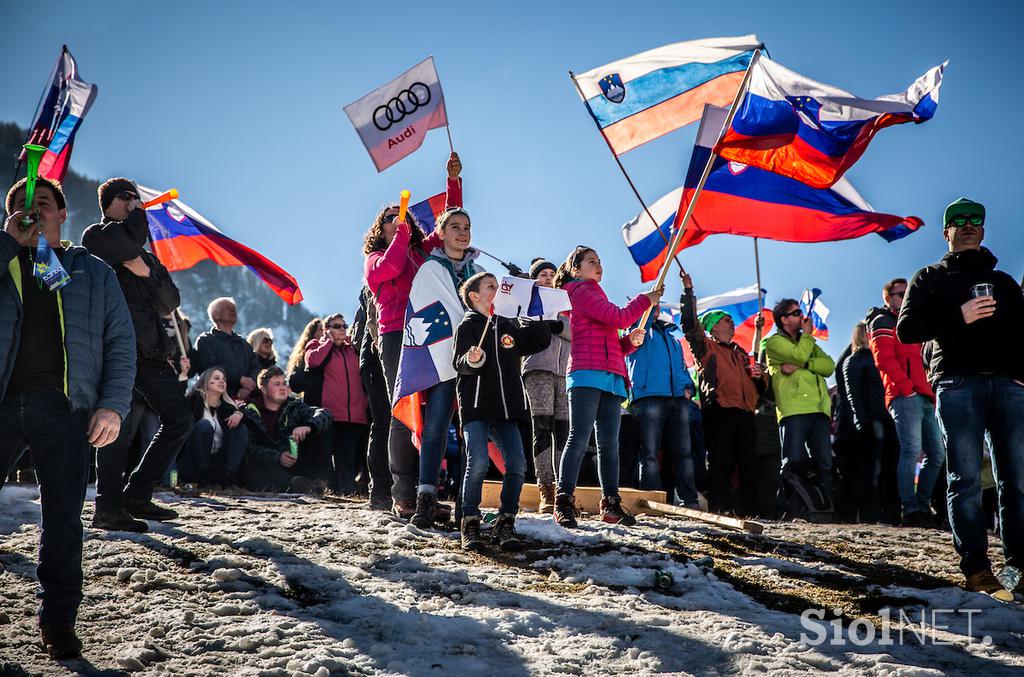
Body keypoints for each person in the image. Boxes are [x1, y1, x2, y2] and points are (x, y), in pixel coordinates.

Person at [1, 176, 135, 659]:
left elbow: (121, 343)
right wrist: (7, 246)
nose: (32, 211)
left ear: (62, 215)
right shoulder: (3, 260)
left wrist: (113, 404)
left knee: (62, 521)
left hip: (63, 410)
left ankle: (57, 621)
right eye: (20, 205)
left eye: (42, 204)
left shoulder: (93, 272)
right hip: (2, 407)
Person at [897, 197, 1024, 598]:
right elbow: (906, 330)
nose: (967, 225)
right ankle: (977, 569)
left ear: (983, 231)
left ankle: (1018, 570)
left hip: (1008, 386)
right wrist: (960, 316)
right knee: (964, 479)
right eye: (958, 221)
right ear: (946, 232)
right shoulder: (928, 278)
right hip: (956, 385)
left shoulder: (1004, 282)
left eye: (975, 220)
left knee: (1016, 481)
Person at [82, 177, 193, 532]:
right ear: (111, 202)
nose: (135, 203)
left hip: (150, 351)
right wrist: (137, 225)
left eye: (137, 199)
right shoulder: (96, 236)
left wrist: (146, 273)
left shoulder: (142, 254)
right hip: (113, 347)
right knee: (117, 427)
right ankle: (108, 507)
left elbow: (170, 302)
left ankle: (138, 493)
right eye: (128, 198)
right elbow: (125, 241)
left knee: (180, 418)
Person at [363, 153, 462, 519]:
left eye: (401, 217)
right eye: (390, 218)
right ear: (381, 228)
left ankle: (426, 494)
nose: (397, 221)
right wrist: (405, 229)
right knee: (403, 411)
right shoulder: (375, 258)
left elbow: (452, 225)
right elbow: (392, 264)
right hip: (396, 335)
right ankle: (401, 493)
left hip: (432, 333)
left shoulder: (422, 250)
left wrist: (453, 181)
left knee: (435, 414)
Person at [552, 246, 662, 528]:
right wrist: (644, 300)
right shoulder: (580, 290)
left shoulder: (595, 293)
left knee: (609, 445)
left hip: (611, 376)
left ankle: (610, 504)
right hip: (587, 374)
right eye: (592, 261)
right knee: (579, 437)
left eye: (600, 261)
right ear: (575, 269)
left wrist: (628, 343)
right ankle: (563, 500)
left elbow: (610, 338)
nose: (599, 265)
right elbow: (619, 318)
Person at [453, 272, 554, 549]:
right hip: (477, 407)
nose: (498, 290)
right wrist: (470, 359)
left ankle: (505, 522)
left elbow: (537, 341)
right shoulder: (468, 327)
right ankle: (470, 522)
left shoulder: (507, 324)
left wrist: (537, 314)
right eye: (491, 287)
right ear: (475, 297)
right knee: (478, 465)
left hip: (508, 409)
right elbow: (459, 363)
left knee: (518, 465)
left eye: (498, 286)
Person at [407, 205, 487, 527]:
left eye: (466, 226)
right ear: (441, 233)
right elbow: (422, 312)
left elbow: (488, 312)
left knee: (473, 431)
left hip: (475, 361)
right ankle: (426, 499)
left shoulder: (479, 272)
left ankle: (465, 504)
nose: (462, 232)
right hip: (441, 359)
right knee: (436, 427)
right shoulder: (430, 269)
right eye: (455, 226)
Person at [679, 271, 767, 516]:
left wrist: (761, 376)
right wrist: (688, 292)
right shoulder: (706, 348)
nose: (732, 323)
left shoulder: (741, 354)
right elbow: (689, 325)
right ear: (714, 327)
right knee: (721, 463)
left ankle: (751, 512)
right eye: (727, 320)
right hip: (719, 413)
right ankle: (721, 509)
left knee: (749, 464)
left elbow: (761, 389)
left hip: (746, 414)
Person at [866, 278, 944, 527]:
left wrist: (927, 390)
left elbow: (925, 359)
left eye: (907, 292)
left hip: (924, 395)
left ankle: (922, 505)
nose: (905, 296)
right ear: (888, 298)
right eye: (900, 293)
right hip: (904, 395)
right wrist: (907, 389)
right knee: (911, 451)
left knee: (937, 453)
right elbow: (884, 360)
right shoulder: (883, 321)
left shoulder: (912, 322)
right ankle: (910, 509)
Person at [626, 291, 700, 509]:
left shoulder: (671, 337)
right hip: (648, 398)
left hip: (678, 399)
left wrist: (688, 388)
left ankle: (689, 501)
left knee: (684, 454)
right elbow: (642, 323)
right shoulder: (636, 329)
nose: (656, 307)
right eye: (651, 305)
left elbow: (681, 367)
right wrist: (647, 302)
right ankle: (651, 500)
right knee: (649, 454)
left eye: (656, 305)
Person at [764, 299, 836, 506]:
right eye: (796, 313)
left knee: (824, 463)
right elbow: (798, 354)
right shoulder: (774, 343)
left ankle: (823, 508)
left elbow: (829, 366)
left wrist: (803, 364)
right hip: (794, 411)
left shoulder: (808, 344)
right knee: (794, 462)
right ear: (784, 320)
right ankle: (792, 509)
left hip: (819, 410)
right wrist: (806, 343)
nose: (802, 316)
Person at [521, 258, 571, 513]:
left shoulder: (566, 302)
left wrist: (557, 325)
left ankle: (564, 489)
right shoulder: (527, 301)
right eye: (542, 274)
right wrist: (549, 325)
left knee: (563, 430)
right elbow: (524, 329)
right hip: (537, 368)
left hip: (565, 372)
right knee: (542, 429)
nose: (548, 277)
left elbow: (575, 332)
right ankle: (546, 489)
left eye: (552, 273)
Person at [303, 314, 369, 495]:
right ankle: (327, 489)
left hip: (355, 414)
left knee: (348, 458)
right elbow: (312, 361)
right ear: (327, 329)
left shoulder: (352, 350)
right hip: (330, 414)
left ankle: (346, 491)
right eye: (337, 326)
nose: (342, 329)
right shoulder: (316, 345)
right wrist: (329, 343)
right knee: (324, 455)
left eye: (344, 326)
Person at [240, 367, 333, 493]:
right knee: (256, 465)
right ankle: (293, 484)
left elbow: (324, 413)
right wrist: (278, 457)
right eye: (277, 384)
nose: (283, 388)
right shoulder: (249, 412)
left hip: (295, 461)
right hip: (268, 465)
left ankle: (317, 481)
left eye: (284, 383)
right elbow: (250, 449)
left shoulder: (294, 406)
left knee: (317, 430)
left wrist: (309, 426)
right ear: (263, 387)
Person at [841, 322, 894, 523]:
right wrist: (863, 422)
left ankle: (885, 512)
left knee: (886, 468)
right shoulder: (854, 361)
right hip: (871, 422)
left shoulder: (877, 359)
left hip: (886, 418)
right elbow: (853, 395)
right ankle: (870, 514)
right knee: (872, 470)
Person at [179, 367, 248, 487]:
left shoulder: (228, 408)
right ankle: (202, 476)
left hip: (218, 463)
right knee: (204, 425)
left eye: (224, 380)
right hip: (193, 460)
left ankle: (230, 475)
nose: (222, 381)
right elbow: (177, 409)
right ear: (205, 381)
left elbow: (250, 418)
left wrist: (239, 414)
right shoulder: (192, 401)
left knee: (241, 429)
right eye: (216, 378)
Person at [192, 297, 260, 400]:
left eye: (234, 308)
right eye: (228, 307)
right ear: (216, 315)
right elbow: (210, 368)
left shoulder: (243, 343)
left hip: (246, 401)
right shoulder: (206, 341)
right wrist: (240, 379)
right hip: (216, 401)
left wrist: (248, 386)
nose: (233, 310)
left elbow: (256, 366)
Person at [286, 318, 324, 395]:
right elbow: (295, 384)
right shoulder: (304, 356)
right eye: (321, 329)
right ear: (312, 334)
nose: (325, 332)